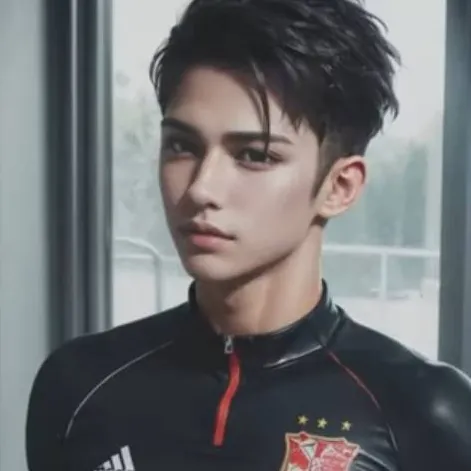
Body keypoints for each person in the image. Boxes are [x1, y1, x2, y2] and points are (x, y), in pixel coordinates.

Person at [26, 0, 471, 470]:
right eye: (182, 145)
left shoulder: (425, 413)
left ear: (339, 187)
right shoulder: (78, 386)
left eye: (255, 155)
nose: (201, 188)